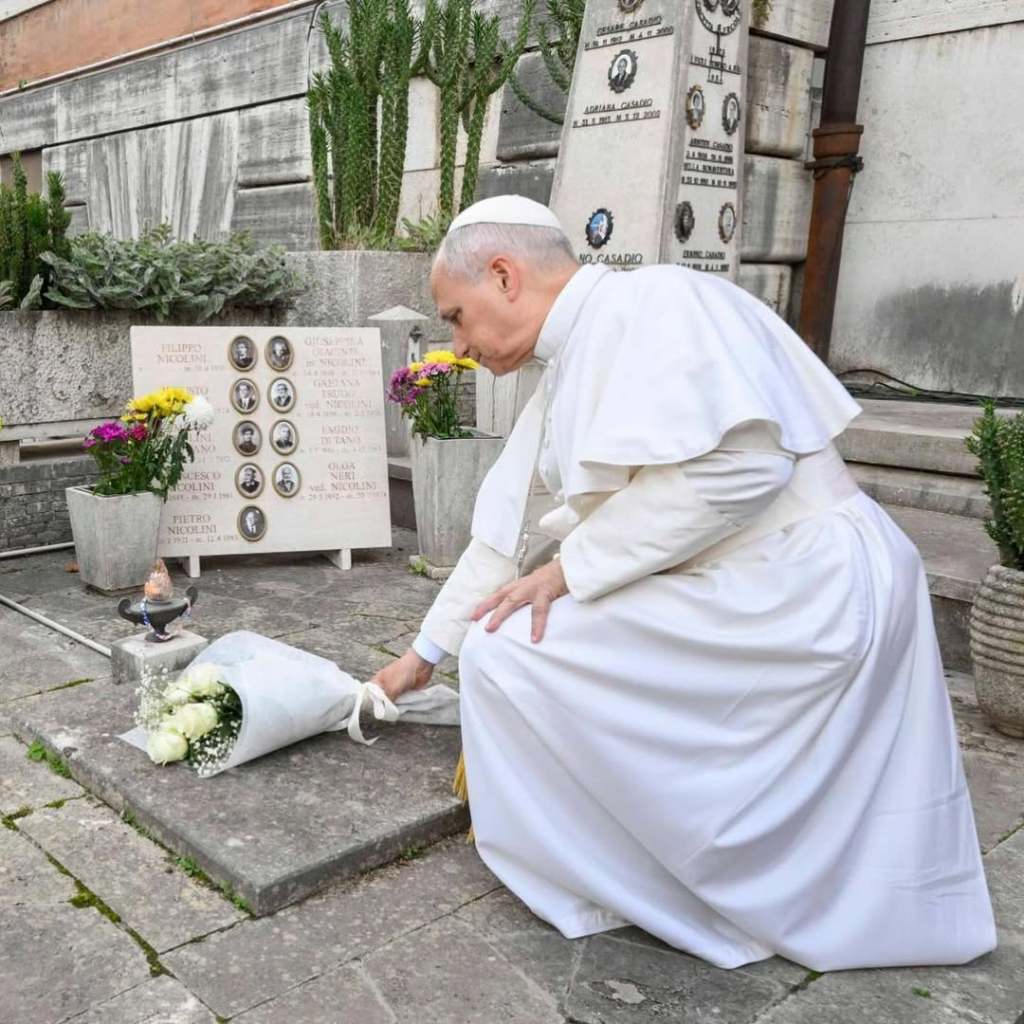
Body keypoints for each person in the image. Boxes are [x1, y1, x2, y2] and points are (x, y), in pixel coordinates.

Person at [372, 194, 997, 972]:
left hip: (804, 586)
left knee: (511, 654)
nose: (458, 345)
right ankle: (635, 855)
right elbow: (505, 537)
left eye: (456, 317)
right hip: (756, 579)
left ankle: (624, 873)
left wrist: (571, 571)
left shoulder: (658, 301)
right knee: (506, 643)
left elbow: (746, 464)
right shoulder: (573, 355)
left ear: (503, 276)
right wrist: (424, 655)